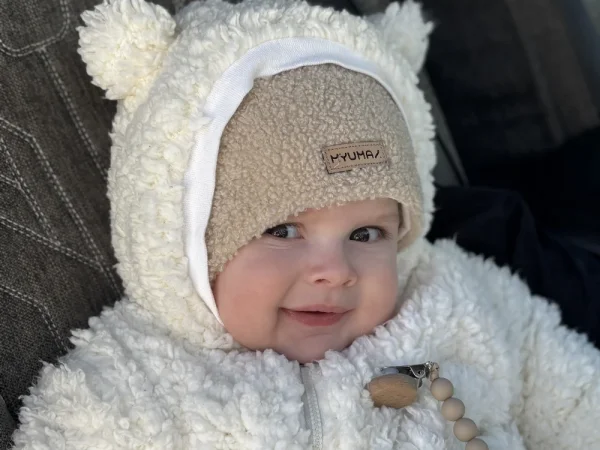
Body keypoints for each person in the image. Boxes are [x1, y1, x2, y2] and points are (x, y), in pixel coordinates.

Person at [11, 0, 600, 448]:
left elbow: (577, 399)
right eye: (282, 230)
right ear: (185, 244)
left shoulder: (459, 301)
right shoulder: (123, 393)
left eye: (366, 234)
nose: (334, 272)